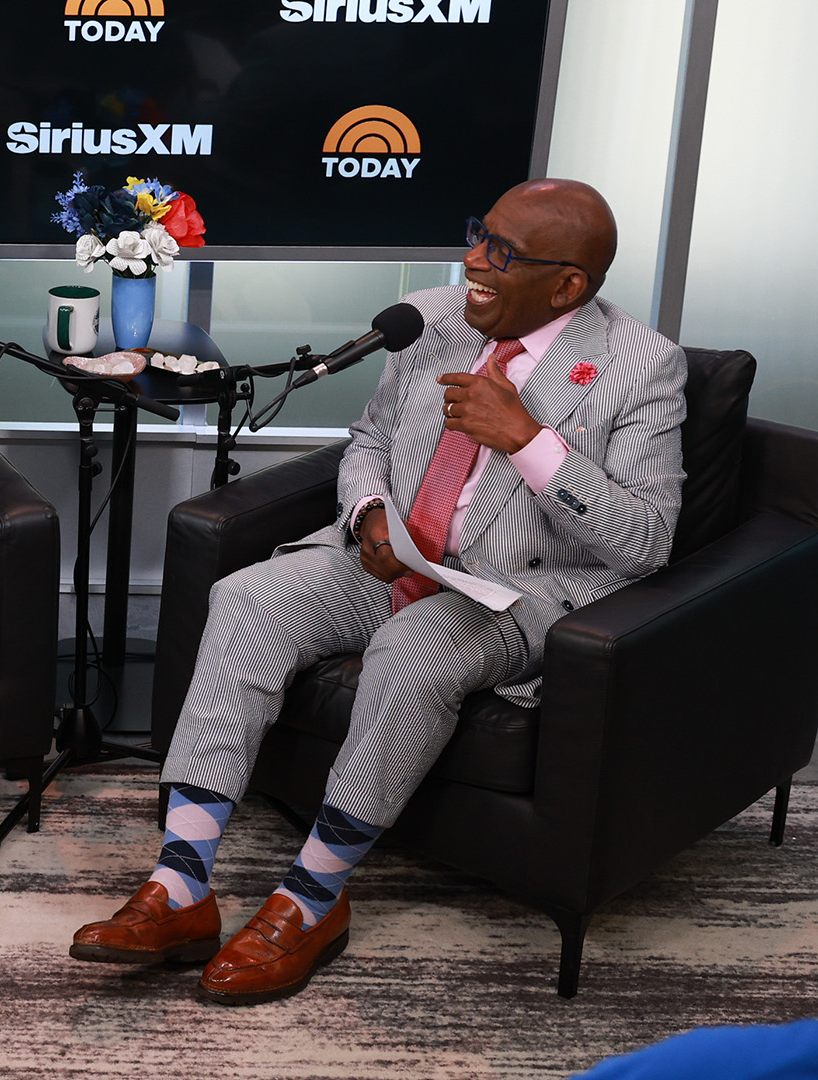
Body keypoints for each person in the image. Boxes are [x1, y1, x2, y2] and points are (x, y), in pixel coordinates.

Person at [70, 179, 686, 1004]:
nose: (474, 260)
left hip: (513, 592)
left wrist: (529, 441)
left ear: (567, 285)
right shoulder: (432, 318)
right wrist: (367, 514)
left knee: (412, 651)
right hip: (393, 554)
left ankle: (312, 899)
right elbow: (367, 440)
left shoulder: (641, 366)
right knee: (249, 598)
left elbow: (645, 541)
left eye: (501, 252)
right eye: (479, 234)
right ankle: (181, 887)